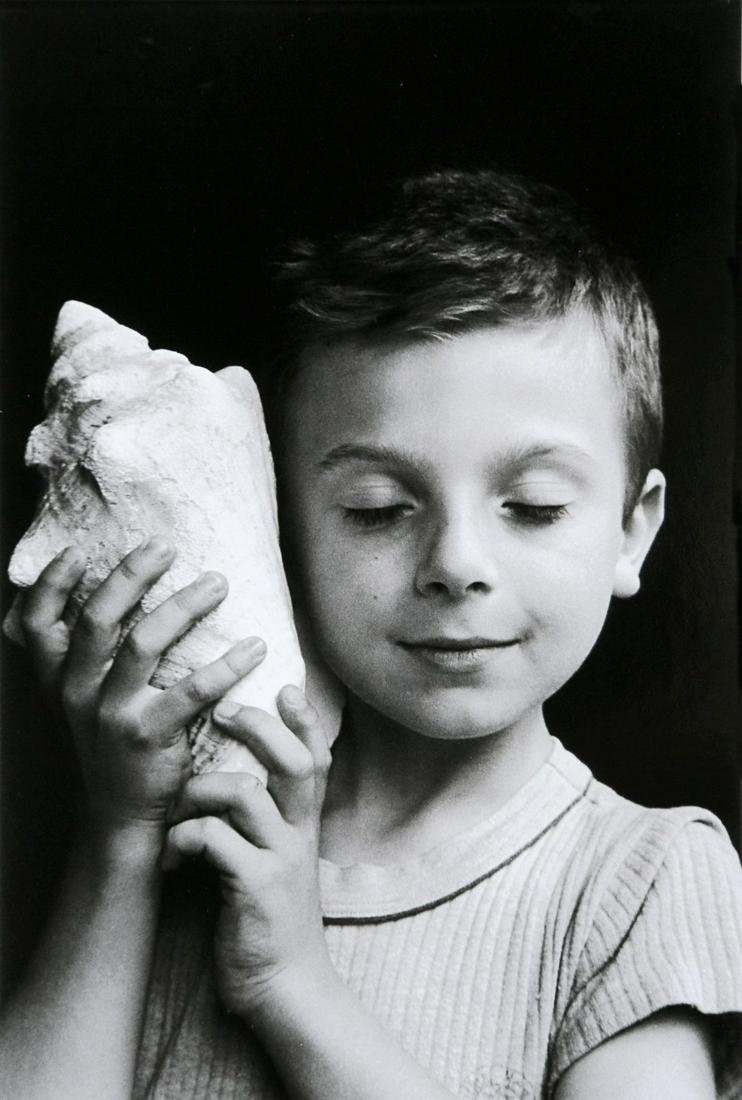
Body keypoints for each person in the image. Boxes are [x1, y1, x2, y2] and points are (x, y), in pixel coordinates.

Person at [1, 169, 741, 1100]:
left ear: (633, 530)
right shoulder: (188, 834)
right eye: (378, 508)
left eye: (534, 505)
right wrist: (120, 833)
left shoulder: (642, 880)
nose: (457, 562)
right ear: (282, 526)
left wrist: (293, 985)